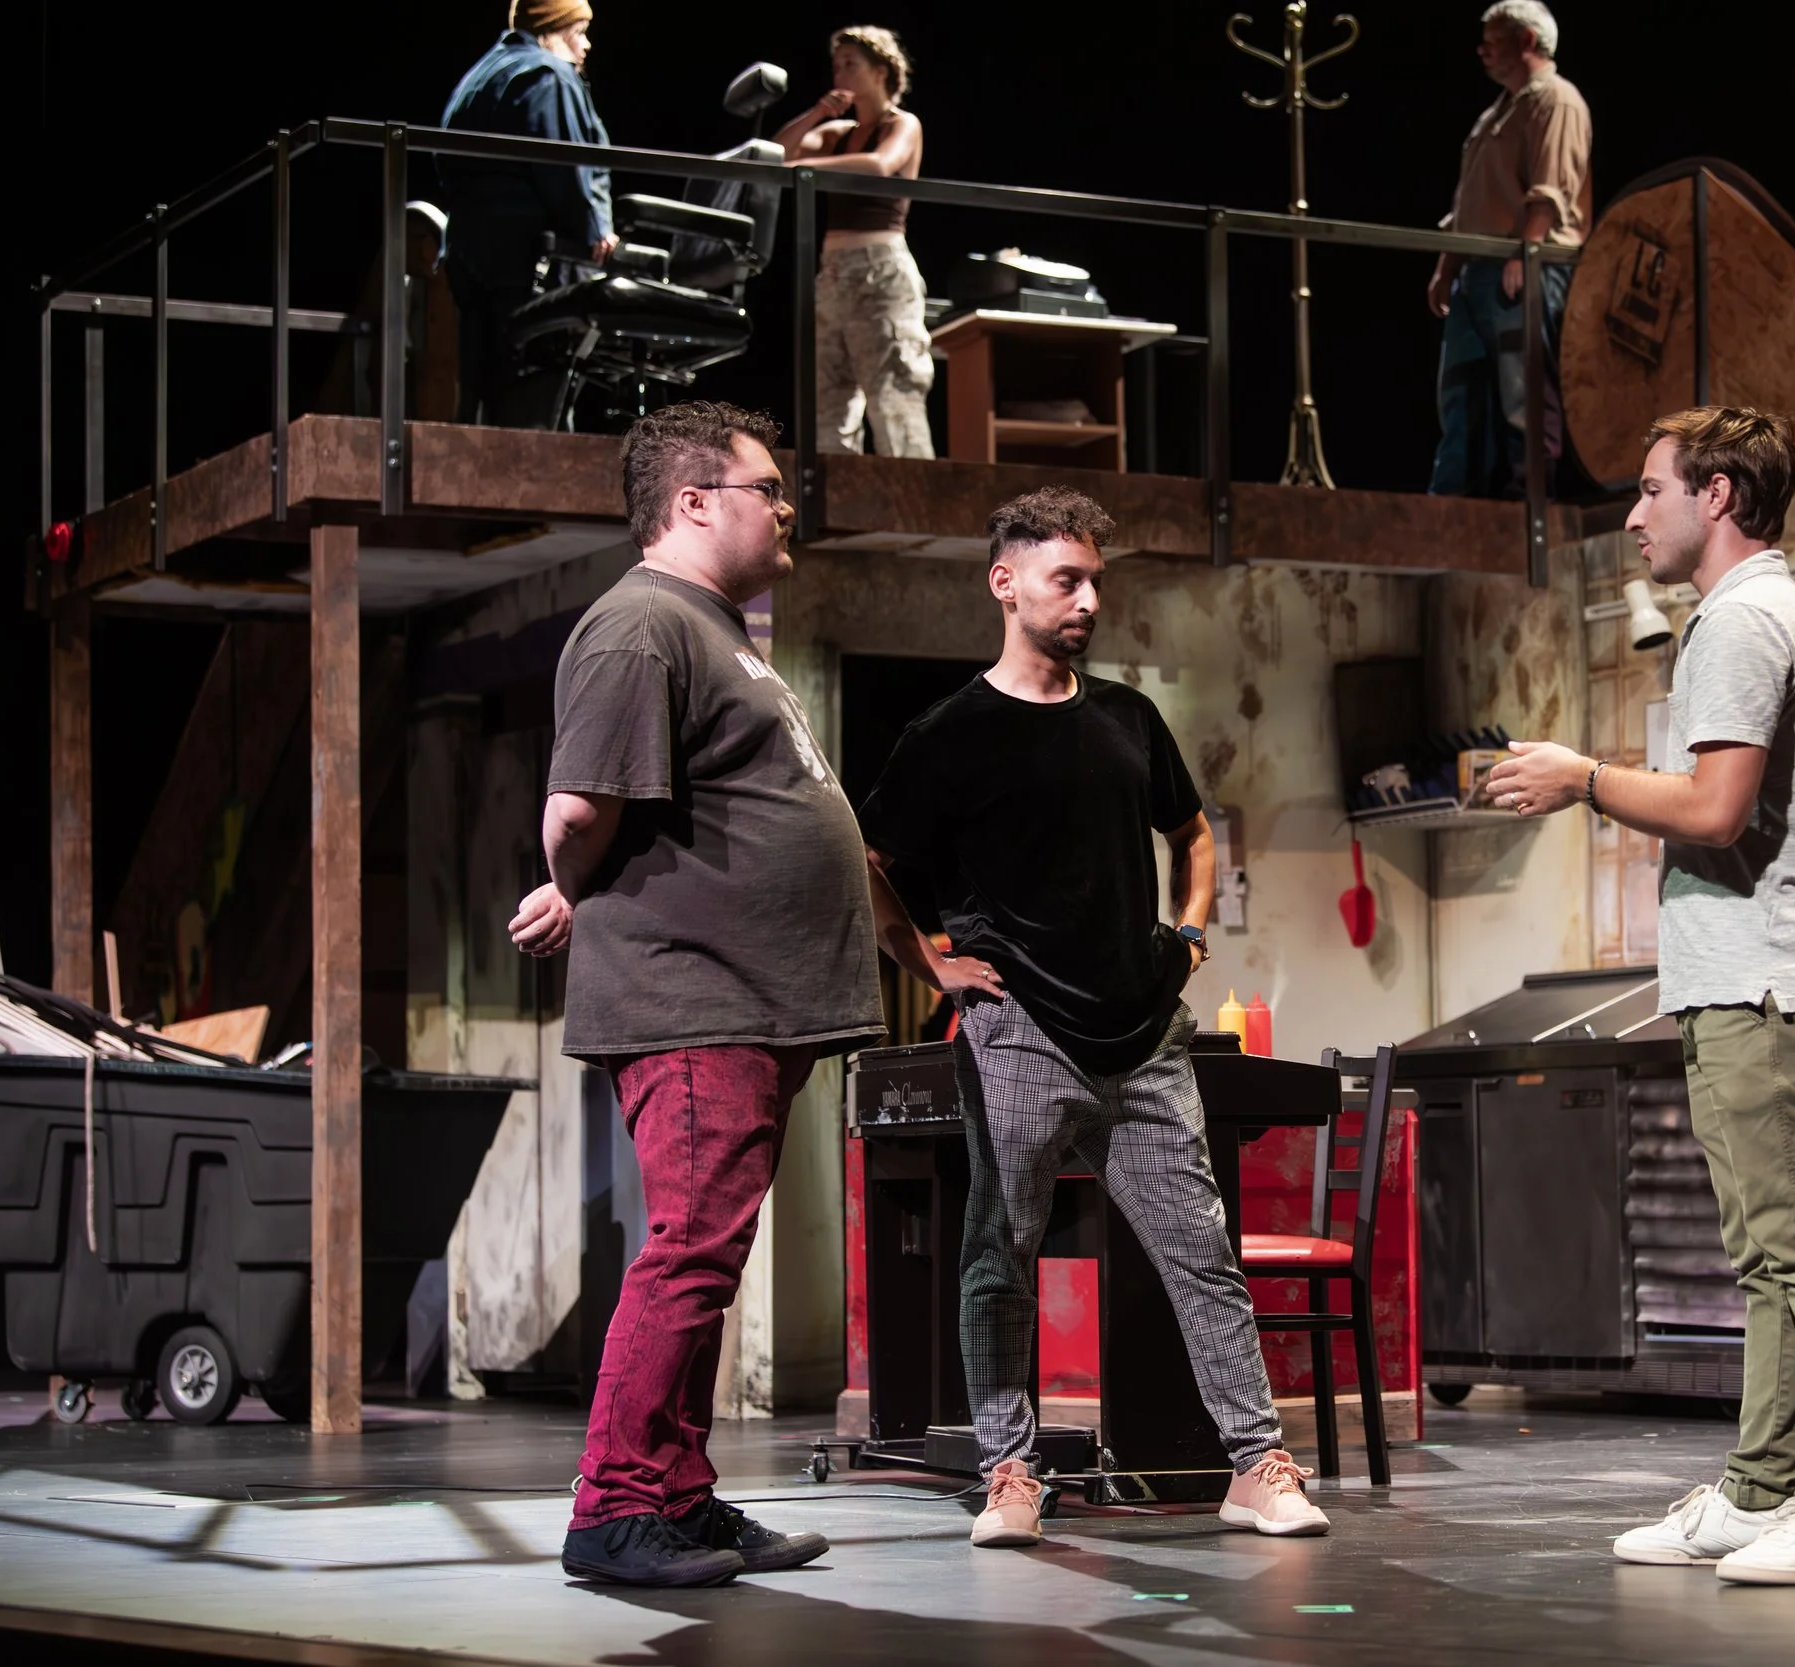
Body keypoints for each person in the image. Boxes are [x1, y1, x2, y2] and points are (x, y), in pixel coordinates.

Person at [855, 487, 1329, 1550]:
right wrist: (928, 959)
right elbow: (870, 856)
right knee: (1000, 1251)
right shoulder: (949, 734)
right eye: (1065, 578)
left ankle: (1256, 1463)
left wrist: (1191, 935)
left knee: (1201, 1251)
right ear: (1005, 581)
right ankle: (1010, 1469)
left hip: (1143, 1033)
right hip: (1019, 1028)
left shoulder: (1125, 716)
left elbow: (1192, 832)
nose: (1086, 598)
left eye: (1095, 580)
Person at [1484, 406, 1795, 1586]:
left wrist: (1585, 777)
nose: (1632, 515)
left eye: (1651, 490)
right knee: (1766, 1253)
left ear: (1715, 496)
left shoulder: (1740, 617)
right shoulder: (1748, 614)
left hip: (1768, 973)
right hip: (1746, 973)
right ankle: (1765, 1486)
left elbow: (1715, 809)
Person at [509, 401, 882, 1587]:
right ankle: (615, 1507)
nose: (786, 508)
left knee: (705, 1255)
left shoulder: (709, 630)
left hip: (741, 1003)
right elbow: (578, 812)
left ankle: (675, 1491)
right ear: (691, 503)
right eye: (766, 488)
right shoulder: (641, 627)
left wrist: (589, 887)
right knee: (687, 1252)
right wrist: (576, 882)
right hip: (696, 1004)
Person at [1427, 1, 1591, 499]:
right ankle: (1453, 499)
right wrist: (1445, 267)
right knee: (1461, 387)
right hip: (1476, 269)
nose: (1483, 49)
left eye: (1493, 38)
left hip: (1522, 264)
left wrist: (1527, 254)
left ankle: (1528, 500)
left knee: (1524, 385)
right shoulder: (1493, 114)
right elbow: (1467, 202)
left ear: (1526, 40)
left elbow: (1549, 189)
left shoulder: (1556, 100)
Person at [441, 1, 618, 426]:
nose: (587, 44)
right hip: (529, 266)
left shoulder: (481, 74)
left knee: (485, 398)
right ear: (553, 29)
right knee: (538, 403)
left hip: (471, 256)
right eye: (579, 31)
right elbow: (564, 166)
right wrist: (596, 228)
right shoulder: (548, 75)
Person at [769, 26, 937, 458]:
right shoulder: (837, 132)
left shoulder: (902, 123)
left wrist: (809, 168)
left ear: (881, 71)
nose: (840, 72)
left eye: (851, 64)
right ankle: (837, 513)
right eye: (836, 64)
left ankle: (910, 514)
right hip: (835, 270)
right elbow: (778, 153)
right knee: (829, 398)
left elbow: (881, 164)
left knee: (893, 395)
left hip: (880, 267)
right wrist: (815, 115)